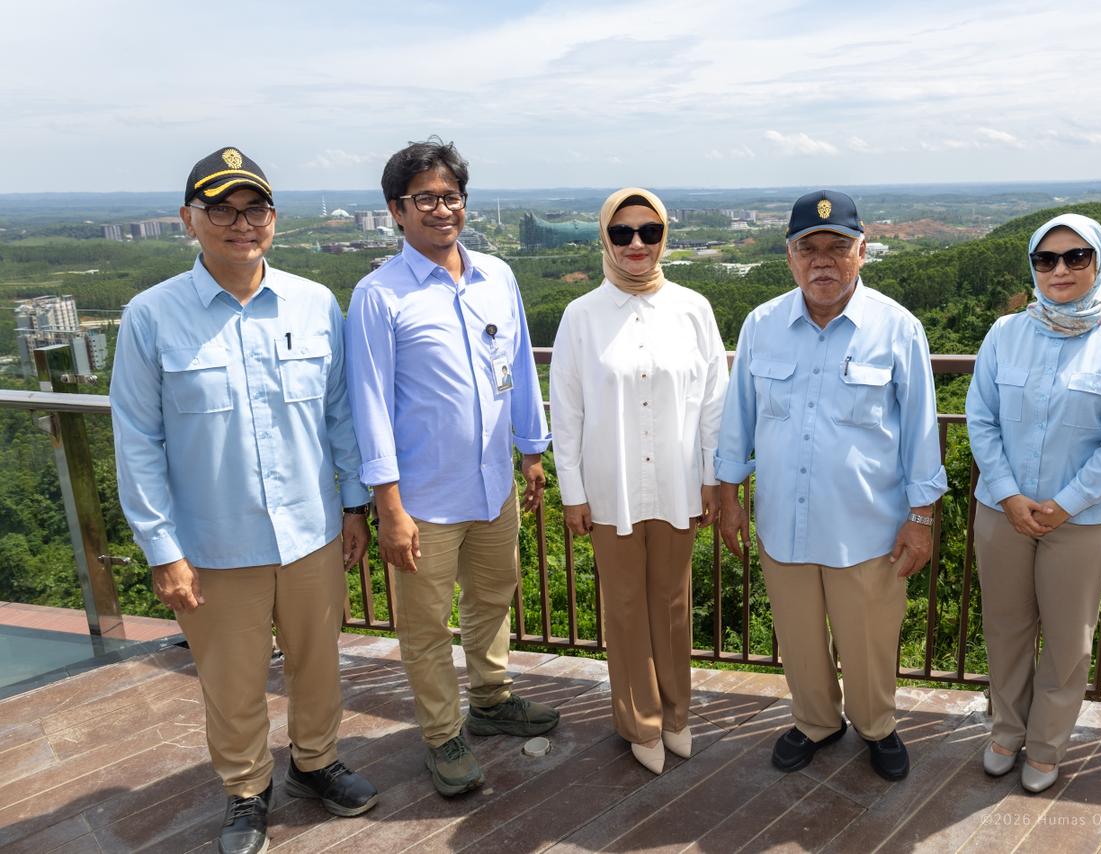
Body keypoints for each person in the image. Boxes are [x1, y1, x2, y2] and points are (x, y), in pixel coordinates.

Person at [111, 147, 377, 854]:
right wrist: (163, 551)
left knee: (319, 663)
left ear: (273, 219)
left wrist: (355, 507)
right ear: (187, 220)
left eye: (253, 208)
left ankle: (316, 762)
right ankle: (245, 790)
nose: (240, 223)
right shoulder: (151, 316)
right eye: (220, 209)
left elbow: (339, 415)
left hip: (311, 530)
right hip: (213, 543)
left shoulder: (314, 303)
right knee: (232, 683)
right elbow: (136, 441)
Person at [345, 137, 558, 798]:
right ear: (396, 211)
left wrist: (531, 453)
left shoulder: (497, 276)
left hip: (493, 483)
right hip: (423, 501)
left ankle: (491, 700)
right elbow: (370, 404)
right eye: (426, 199)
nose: (442, 209)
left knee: (495, 597)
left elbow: (519, 368)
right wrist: (388, 506)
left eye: (451, 196)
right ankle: (442, 735)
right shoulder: (380, 296)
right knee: (426, 626)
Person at [716, 190, 948, 781]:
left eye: (837, 247)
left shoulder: (898, 329)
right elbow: (738, 419)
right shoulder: (762, 325)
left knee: (869, 638)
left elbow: (921, 432)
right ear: (790, 257)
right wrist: (727, 496)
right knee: (797, 635)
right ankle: (816, 722)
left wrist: (921, 519)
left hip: (866, 524)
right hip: (782, 520)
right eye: (808, 248)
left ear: (862, 252)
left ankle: (877, 726)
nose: (823, 260)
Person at [966, 213, 1101, 793]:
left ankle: (1045, 745)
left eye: (1077, 256)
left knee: (1069, 639)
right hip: (1003, 513)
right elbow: (981, 418)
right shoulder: (1005, 334)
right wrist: (1009, 494)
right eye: (1046, 259)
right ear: (1033, 266)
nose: (1061, 269)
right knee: (1005, 628)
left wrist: (1067, 503)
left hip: (1084, 522)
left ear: (1098, 262)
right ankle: (1005, 730)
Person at [550, 187, 728, 774]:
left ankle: (678, 714)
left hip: (678, 487)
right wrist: (572, 492)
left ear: (663, 237)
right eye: (622, 232)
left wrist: (710, 477)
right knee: (624, 609)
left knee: (673, 606)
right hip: (611, 489)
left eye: (648, 232)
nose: (635, 244)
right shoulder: (581, 317)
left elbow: (712, 402)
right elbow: (567, 411)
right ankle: (639, 721)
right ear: (605, 237)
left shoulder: (693, 308)